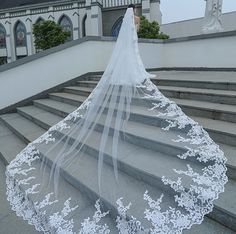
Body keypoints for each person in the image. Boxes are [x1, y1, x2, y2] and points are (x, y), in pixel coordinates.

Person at [6, 7, 227, 234]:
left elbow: (130, 50)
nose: (138, 25)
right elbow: (132, 49)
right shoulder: (130, 31)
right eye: (137, 23)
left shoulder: (126, 34)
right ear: (134, 22)